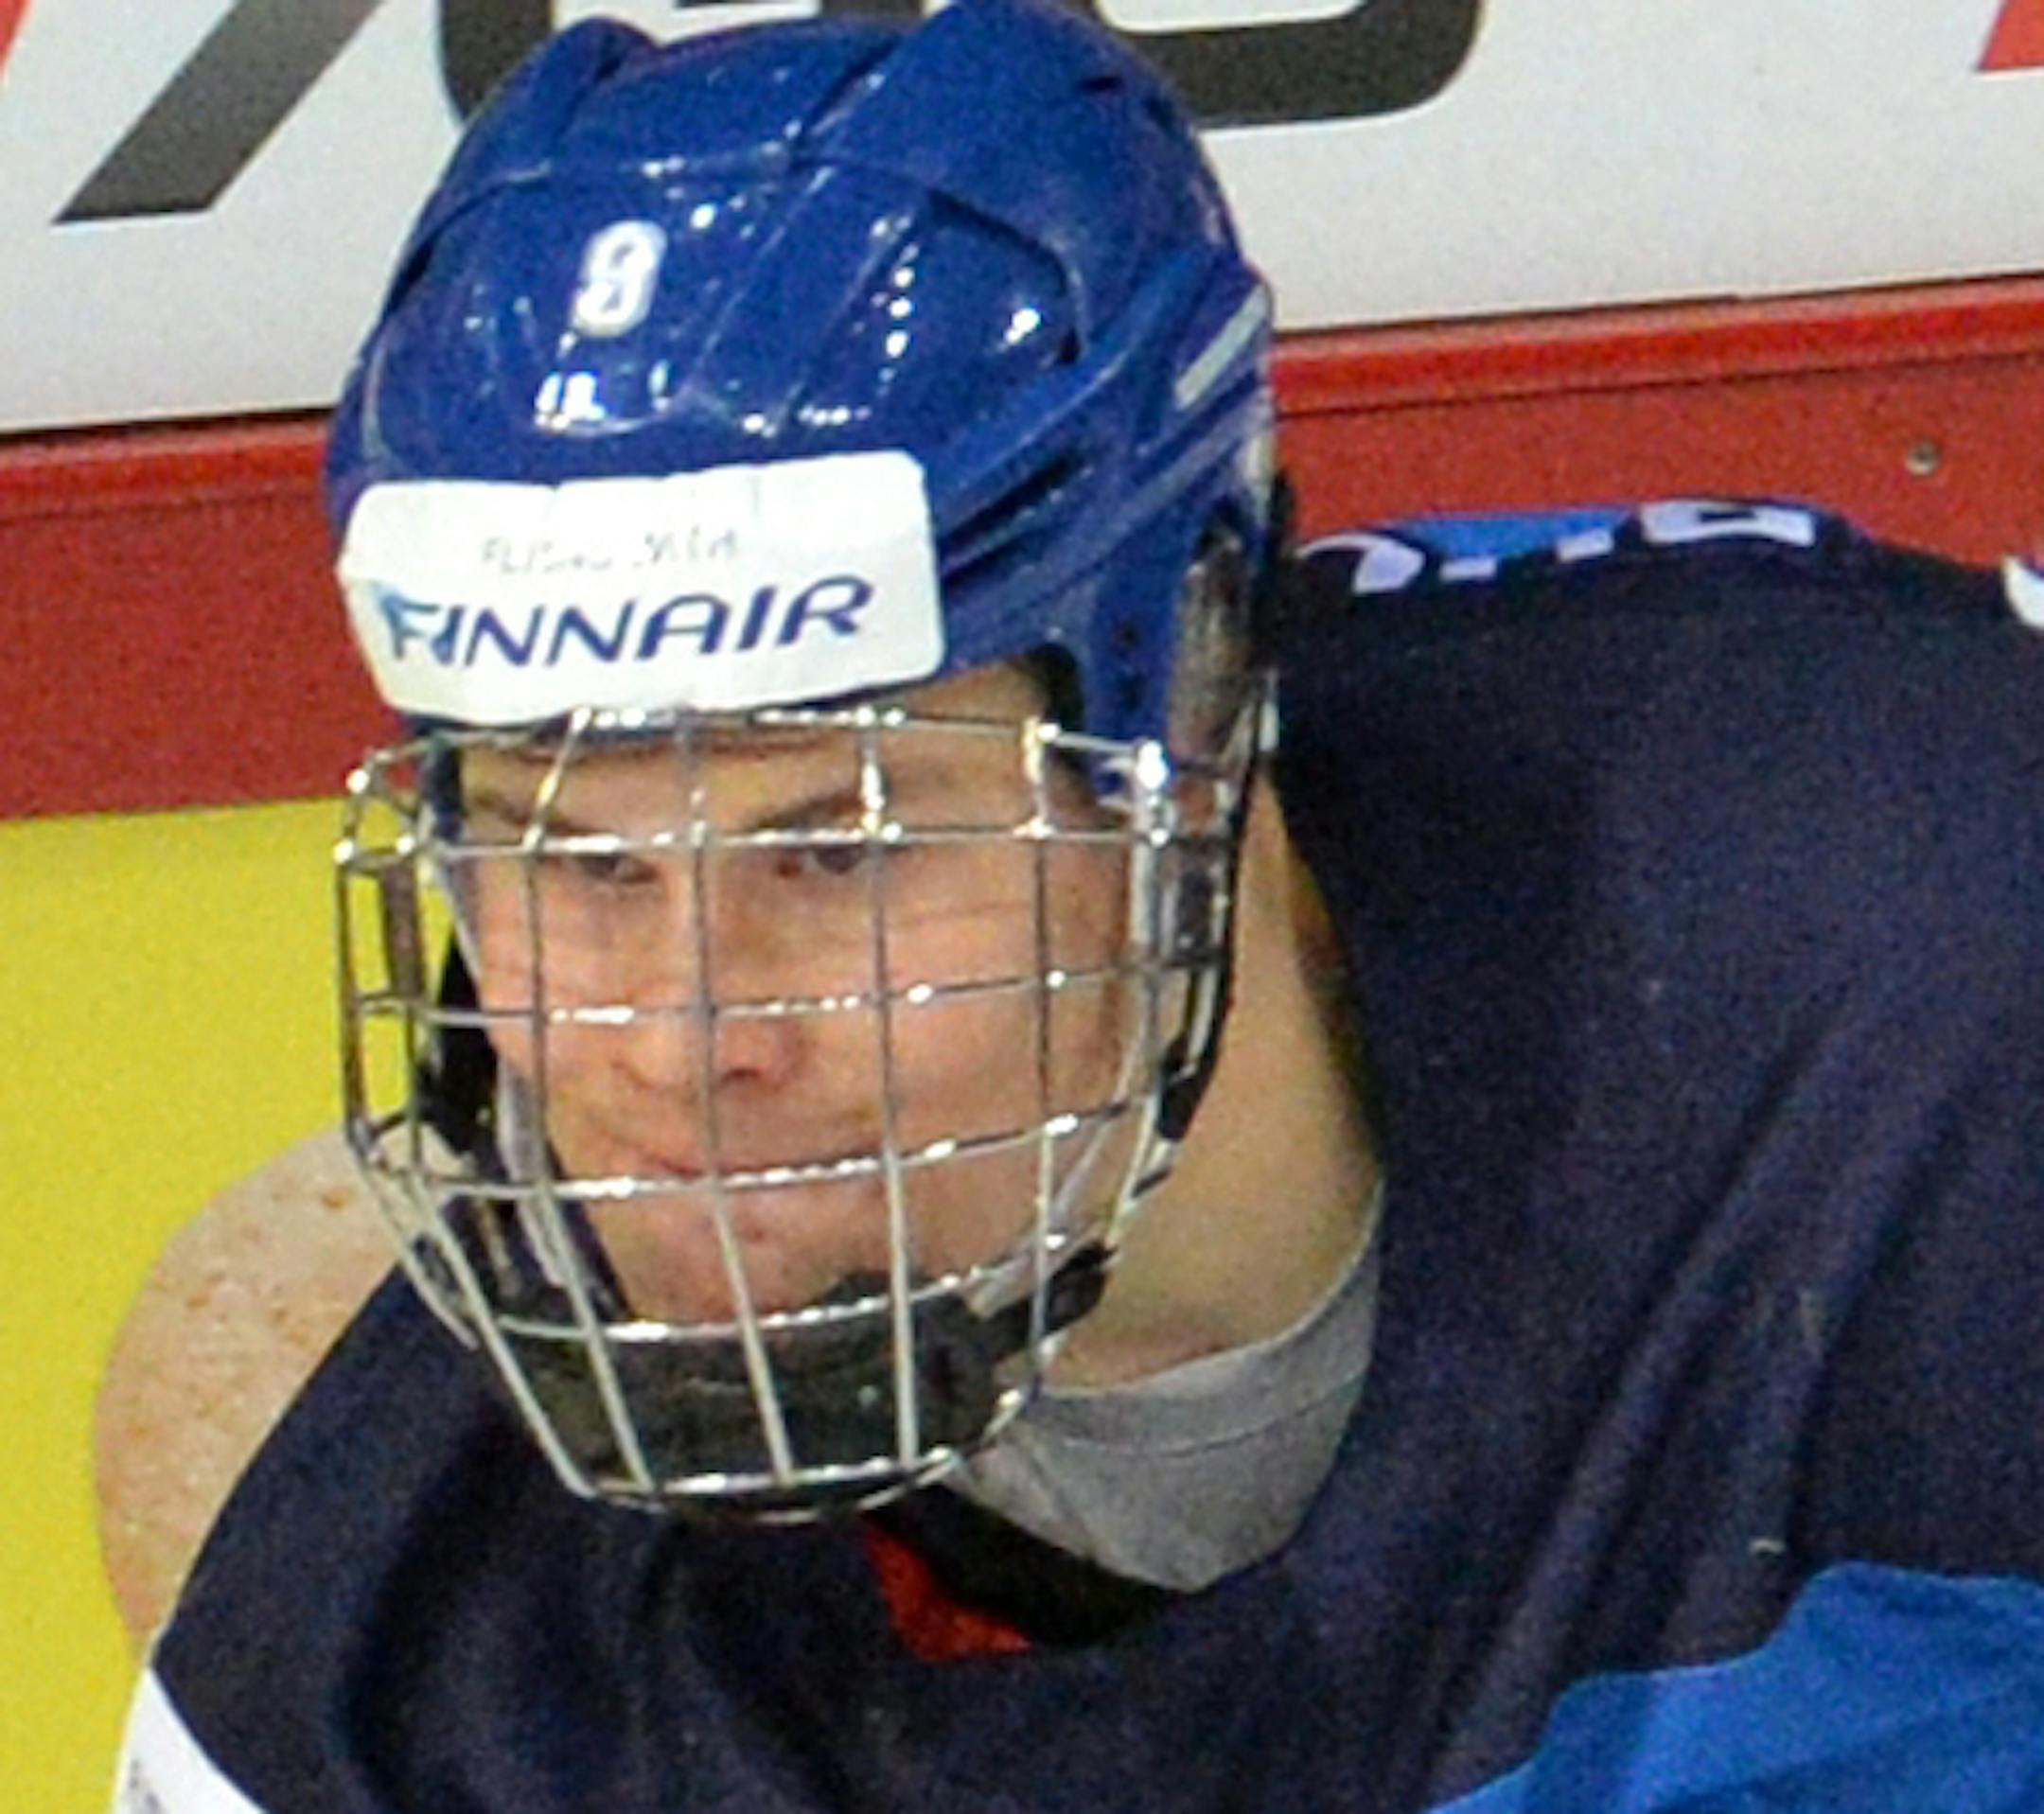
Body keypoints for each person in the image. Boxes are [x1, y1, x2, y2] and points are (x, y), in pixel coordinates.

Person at [99, 2, 2044, 1808]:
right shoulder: (381, 1630)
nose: (684, 1047)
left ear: (1197, 711)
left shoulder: (1947, 1000)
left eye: (834, 846)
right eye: (572, 856)